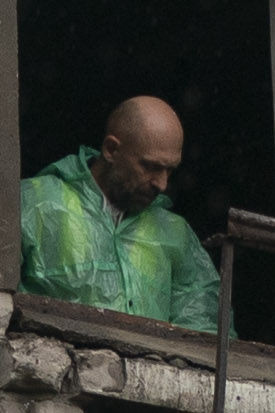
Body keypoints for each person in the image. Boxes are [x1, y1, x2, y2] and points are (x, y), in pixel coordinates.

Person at [23, 94, 222, 334]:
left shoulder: (174, 233)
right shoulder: (35, 204)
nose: (162, 184)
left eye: (170, 170)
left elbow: (206, 331)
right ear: (111, 149)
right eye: (151, 166)